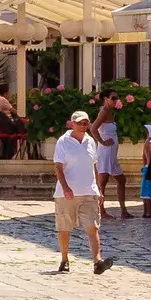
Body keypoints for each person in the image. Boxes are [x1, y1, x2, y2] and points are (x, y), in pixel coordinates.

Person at [49, 110, 110, 274]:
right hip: (66, 194)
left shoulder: (90, 141)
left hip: (88, 191)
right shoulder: (63, 141)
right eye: (80, 122)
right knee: (64, 228)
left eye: (86, 122)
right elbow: (58, 167)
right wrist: (66, 187)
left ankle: (97, 261)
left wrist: (99, 188)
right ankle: (64, 259)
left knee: (93, 227)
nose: (83, 125)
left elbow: (95, 166)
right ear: (72, 123)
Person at [93, 91, 128, 220]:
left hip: (112, 153)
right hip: (106, 152)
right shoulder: (104, 112)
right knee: (102, 181)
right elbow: (93, 128)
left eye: (117, 98)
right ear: (106, 99)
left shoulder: (109, 112)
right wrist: (102, 141)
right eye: (113, 98)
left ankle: (123, 210)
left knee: (121, 179)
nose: (115, 100)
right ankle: (101, 211)